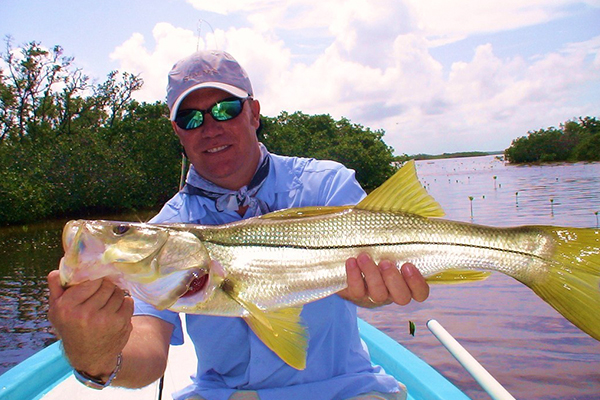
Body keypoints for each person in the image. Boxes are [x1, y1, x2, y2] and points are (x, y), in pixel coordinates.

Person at [47, 50, 429, 400]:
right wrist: (94, 356)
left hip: (345, 389)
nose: (209, 127)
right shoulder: (168, 229)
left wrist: (376, 291)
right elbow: (148, 348)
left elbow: (370, 287)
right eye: (190, 117)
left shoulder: (326, 185)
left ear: (254, 113)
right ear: (178, 132)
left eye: (225, 108)